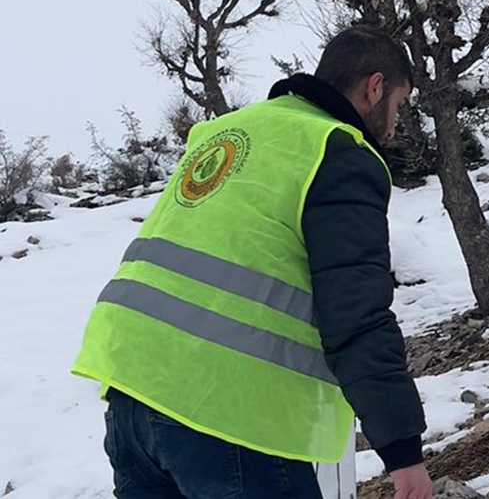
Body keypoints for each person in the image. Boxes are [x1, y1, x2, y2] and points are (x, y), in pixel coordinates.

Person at [72, 26, 433, 499]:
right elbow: (356, 313)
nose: (393, 126)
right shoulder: (338, 151)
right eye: (400, 105)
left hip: (131, 394)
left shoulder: (226, 132)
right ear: (375, 86)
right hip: (230, 415)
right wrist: (402, 451)